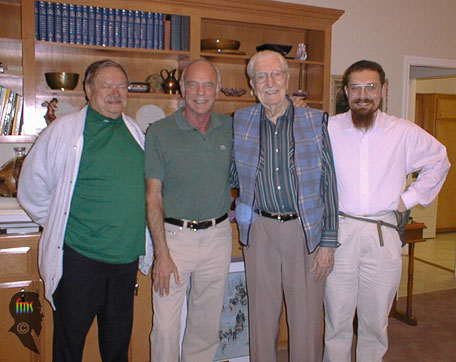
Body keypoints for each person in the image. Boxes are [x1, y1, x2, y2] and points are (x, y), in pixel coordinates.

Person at [17, 59, 153, 362]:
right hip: (80, 259)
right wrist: (59, 224)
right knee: (69, 345)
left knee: (117, 346)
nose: (116, 92)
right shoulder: (64, 131)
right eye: (107, 85)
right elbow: (31, 188)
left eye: (121, 85)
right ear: (88, 90)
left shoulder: (134, 131)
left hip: (124, 261)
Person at [324, 60, 450, 362]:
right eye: (356, 87)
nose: (363, 94)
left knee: (375, 322)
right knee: (336, 322)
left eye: (371, 87)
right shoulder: (329, 128)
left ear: (383, 90)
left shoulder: (402, 132)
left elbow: (439, 160)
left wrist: (408, 199)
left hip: (383, 236)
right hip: (340, 234)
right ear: (346, 91)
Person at [232, 50, 339, 362]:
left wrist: (328, 242)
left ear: (287, 79)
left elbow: (328, 185)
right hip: (260, 232)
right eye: (261, 77)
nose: (270, 82)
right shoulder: (241, 121)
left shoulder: (314, 121)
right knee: (261, 319)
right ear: (251, 85)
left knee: (306, 321)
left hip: (304, 232)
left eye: (276, 74)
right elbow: (232, 173)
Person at [145, 58, 233, 362]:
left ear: (218, 90)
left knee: (206, 327)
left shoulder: (230, 128)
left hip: (218, 236)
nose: (200, 91)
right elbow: (153, 196)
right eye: (193, 84)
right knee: (166, 329)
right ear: (182, 89)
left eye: (208, 84)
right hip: (175, 239)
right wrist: (162, 253)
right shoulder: (159, 132)